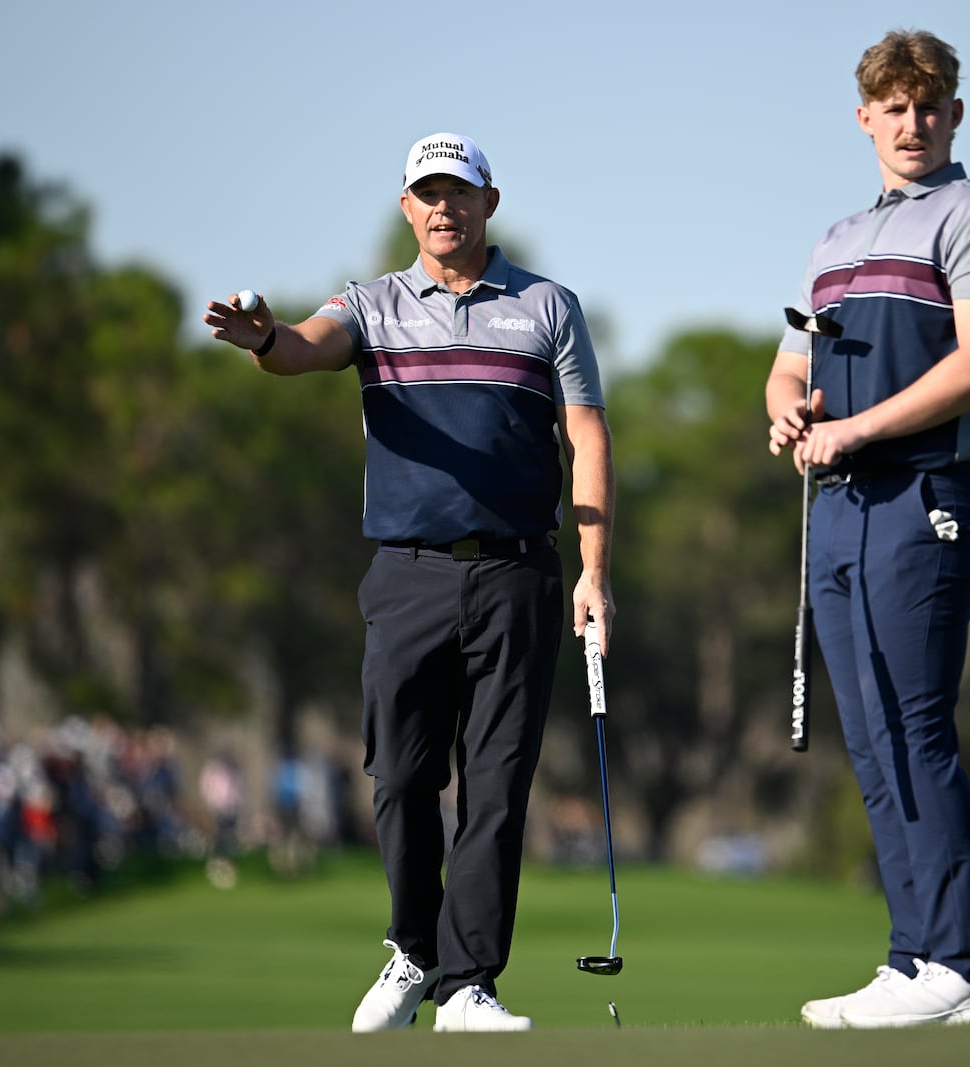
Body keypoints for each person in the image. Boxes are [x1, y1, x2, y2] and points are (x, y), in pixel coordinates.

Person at [203, 132, 615, 1033]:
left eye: (458, 193)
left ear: (488, 203)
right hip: (407, 577)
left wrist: (594, 573)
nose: (443, 208)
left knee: (497, 785)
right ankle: (415, 949)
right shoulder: (373, 304)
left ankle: (470, 983)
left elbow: (585, 435)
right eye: (427, 194)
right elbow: (307, 348)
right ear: (406, 209)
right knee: (400, 778)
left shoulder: (548, 308)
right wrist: (264, 337)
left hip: (518, 573)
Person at [765, 30, 970, 1029]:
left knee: (915, 727)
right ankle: (914, 954)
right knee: (873, 739)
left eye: (928, 105)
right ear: (864, 116)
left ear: (953, 114)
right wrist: (786, 405)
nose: (911, 123)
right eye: (893, 105)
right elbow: (789, 361)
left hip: (927, 495)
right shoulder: (834, 239)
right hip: (838, 507)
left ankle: (964, 960)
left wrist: (854, 429)